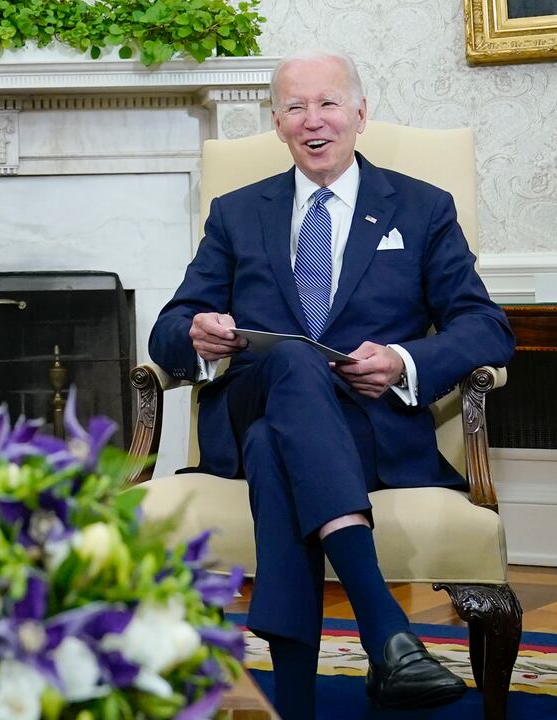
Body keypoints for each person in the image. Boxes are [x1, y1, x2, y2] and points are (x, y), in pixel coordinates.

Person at [149, 50, 513, 718]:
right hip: (254, 393)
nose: (312, 120)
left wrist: (403, 360)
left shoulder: (422, 208)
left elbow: (486, 326)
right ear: (277, 122)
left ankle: (297, 706)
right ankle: (384, 627)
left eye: (328, 104)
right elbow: (168, 329)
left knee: (273, 447)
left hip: (364, 425)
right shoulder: (237, 213)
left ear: (360, 114)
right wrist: (196, 333)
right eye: (295, 107)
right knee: (292, 361)